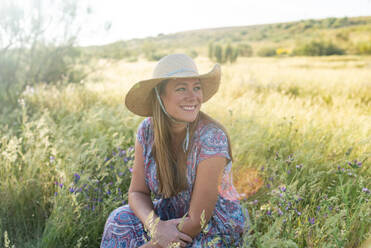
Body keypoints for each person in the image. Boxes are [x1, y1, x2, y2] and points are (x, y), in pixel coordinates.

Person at [101, 54, 248, 248]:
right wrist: (156, 226)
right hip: (171, 216)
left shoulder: (212, 137)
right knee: (119, 218)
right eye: (181, 89)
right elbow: (137, 192)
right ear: (160, 96)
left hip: (212, 226)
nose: (193, 96)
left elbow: (198, 220)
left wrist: (152, 244)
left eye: (196, 87)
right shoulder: (147, 130)